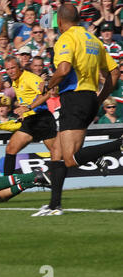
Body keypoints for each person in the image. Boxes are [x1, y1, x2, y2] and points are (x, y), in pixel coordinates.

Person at [33, 3, 121, 217]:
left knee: (70, 157)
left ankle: (118, 144)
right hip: (88, 97)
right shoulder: (93, 39)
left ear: (60, 22)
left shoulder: (67, 38)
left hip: (75, 98)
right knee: (56, 153)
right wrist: (99, 98)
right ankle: (54, 205)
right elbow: (115, 71)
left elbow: (63, 70)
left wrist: (48, 84)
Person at [1, 56, 57, 186]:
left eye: (13, 68)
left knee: (59, 154)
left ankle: (92, 158)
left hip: (42, 119)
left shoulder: (29, 78)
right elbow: (27, 98)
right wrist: (23, 113)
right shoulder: (16, 81)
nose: (10, 71)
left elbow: (47, 94)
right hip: (31, 120)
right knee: (10, 149)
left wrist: (28, 107)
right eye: (7, 69)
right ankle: (6, 185)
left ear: (19, 67)